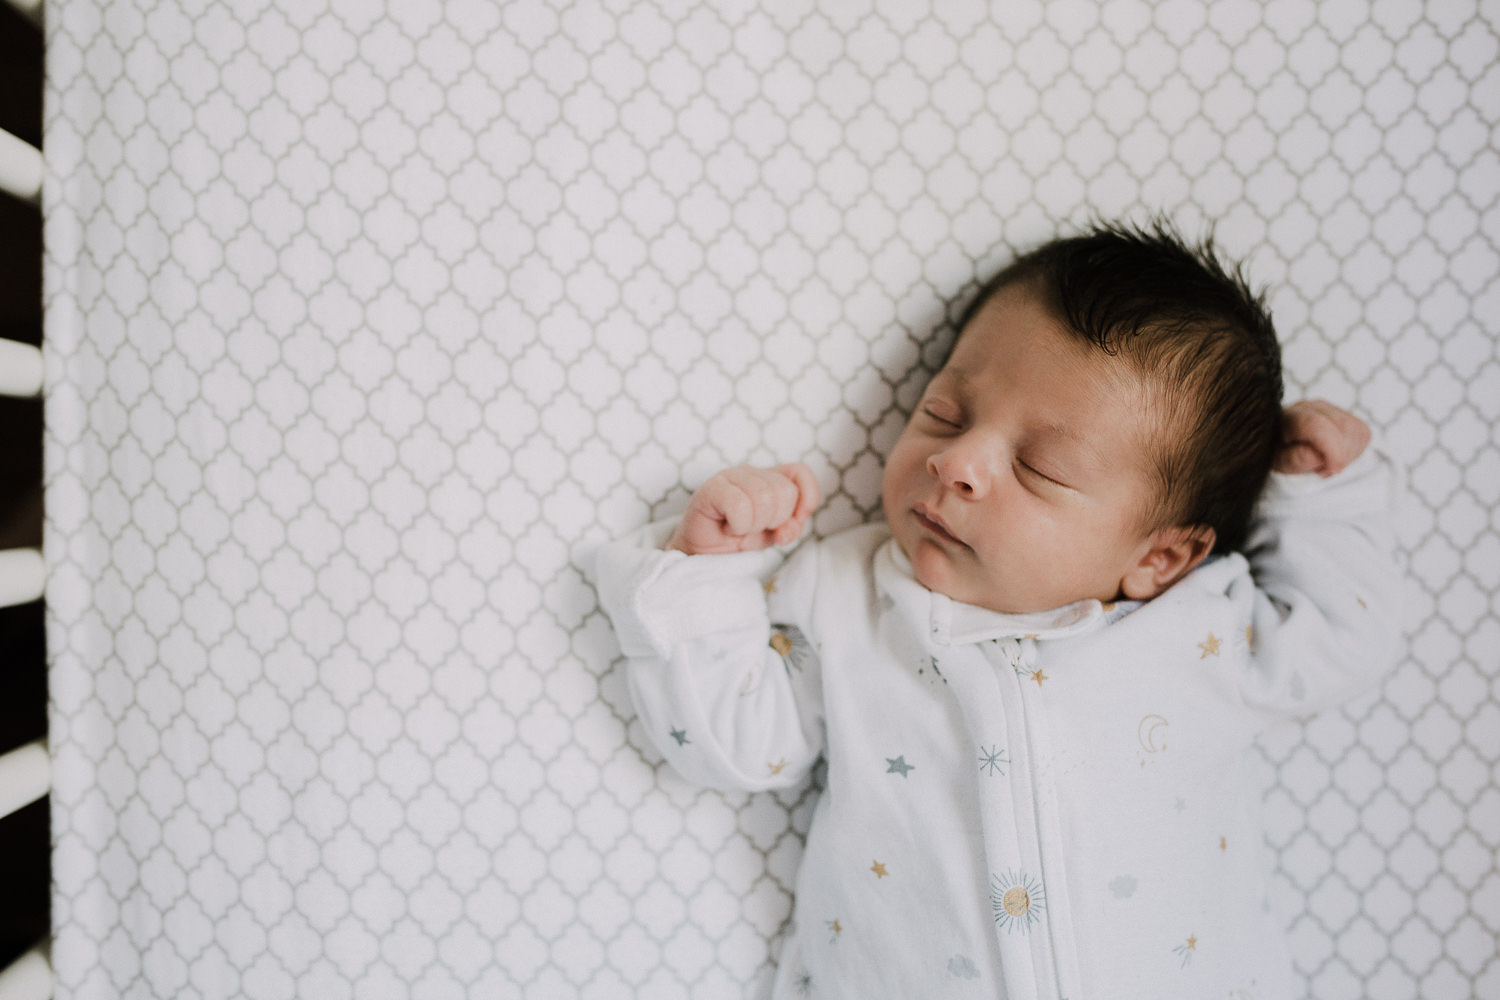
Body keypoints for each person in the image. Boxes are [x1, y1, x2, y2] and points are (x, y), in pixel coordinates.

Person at [590, 221, 1403, 999]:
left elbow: (1346, 639)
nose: (956, 461)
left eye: (1041, 467)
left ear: (1159, 558)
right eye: (945, 413)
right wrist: (709, 573)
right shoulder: (846, 597)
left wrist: (1321, 503)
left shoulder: (1200, 630)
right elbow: (732, 742)